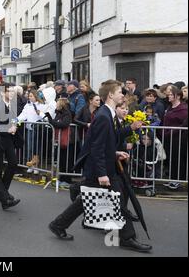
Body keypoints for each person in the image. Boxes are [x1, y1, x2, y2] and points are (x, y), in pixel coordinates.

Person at [49, 79, 152, 253]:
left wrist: (120, 145)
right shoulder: (104, 116)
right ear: (111, 94)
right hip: (101, 168)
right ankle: (127, 238)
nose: (123, 94)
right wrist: (103, 173)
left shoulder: (107, 113)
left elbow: (109, 139)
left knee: (85, 201)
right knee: (117, 199)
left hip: (102, 165)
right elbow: (96, 147)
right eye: (120, 92)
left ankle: (58, 224)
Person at [0, 83, 22, 201]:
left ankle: (3, 191)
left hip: (9, 139)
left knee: (13, 164)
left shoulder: (13, 105)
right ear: (3, 92)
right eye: (10, 91)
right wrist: (6, 128)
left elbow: (15, 119)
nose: (12, 93)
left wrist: (15, 126)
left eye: (13, 91)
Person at [161, 86, 188, 190]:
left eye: (172, 94)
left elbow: (184, 124)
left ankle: (178, 180)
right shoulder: (169, 107)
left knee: (178, 159)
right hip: (168, 138)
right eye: (169, 94)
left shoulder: (184, 109)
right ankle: (172, 178)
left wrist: (171, 132)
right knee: (171, 158)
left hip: (179, 138)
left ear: (178, 96)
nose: (169, 96)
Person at [46, 98, 75, 188]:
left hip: (68, 140)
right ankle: (62, 179)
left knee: (67, 161)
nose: (56, 105)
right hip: (60, 140)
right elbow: (57, 123)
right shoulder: (59, 113)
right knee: (62, 160)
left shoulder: (67, 113)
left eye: (57, 103)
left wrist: (51, 121)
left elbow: (64, 124)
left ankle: (67, 180)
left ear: (61, 104)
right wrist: (51, 120)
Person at [17, 90, 44, 174]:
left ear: (36, 96)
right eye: (29, 96)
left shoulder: (41, 105)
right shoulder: (27, 105)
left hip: (37, 129)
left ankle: (36, 166)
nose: (29, 97)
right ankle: (31, 165)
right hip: (29, 129)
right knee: (29, 148)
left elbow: (43, 116)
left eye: (31, 96)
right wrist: (16, 120)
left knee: (36, 148)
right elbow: (23, 115)